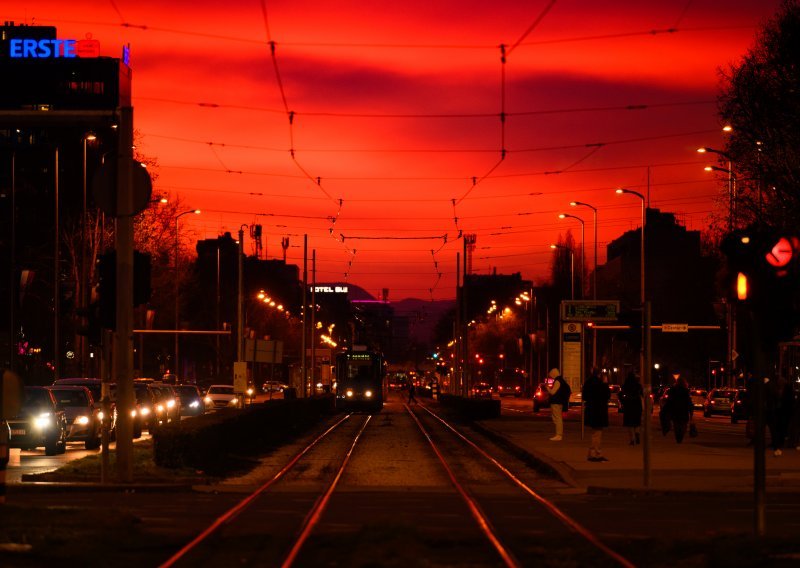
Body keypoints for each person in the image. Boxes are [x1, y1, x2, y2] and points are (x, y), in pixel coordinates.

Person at [582, 368, 610, 461]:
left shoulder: (588, 382)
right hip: (599, 411)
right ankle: (594, 454)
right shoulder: (600, 383)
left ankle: (595, 453)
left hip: (591, 410)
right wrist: (606, 383)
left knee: (596, 433)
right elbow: (607, 395)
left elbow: (584, 396)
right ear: (599, 375)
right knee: (597, 433)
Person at [663, 373, 693, 443]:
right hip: (684, 411)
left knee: (676, 424)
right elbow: (688, 402)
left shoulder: (673, 390)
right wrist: (691, 412)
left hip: (675, 411)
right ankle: (680, 436)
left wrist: (666, 409)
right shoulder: (686, 391)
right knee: (683, 425)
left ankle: (678, 437)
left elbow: (669, 401)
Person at [545, 368, 569, 441]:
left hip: (556, 402)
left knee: (557, 419)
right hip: (559, 402)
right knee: (558, 418)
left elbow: (553, 392)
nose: (551, 377)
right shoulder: (561, 380)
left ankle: (558, 435)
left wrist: (548, 388)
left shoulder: (558, 381)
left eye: (551, 375)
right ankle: (558, 434)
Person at [621, 371, 643, 445]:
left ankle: (632, 439)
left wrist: (623, 401)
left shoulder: (626, 385)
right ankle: (637, 432)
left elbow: (621, 394)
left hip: (628, 405)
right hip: (637, 404)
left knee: (629, 423)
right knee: (637, 422)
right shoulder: (638, 385)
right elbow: (642, 394)